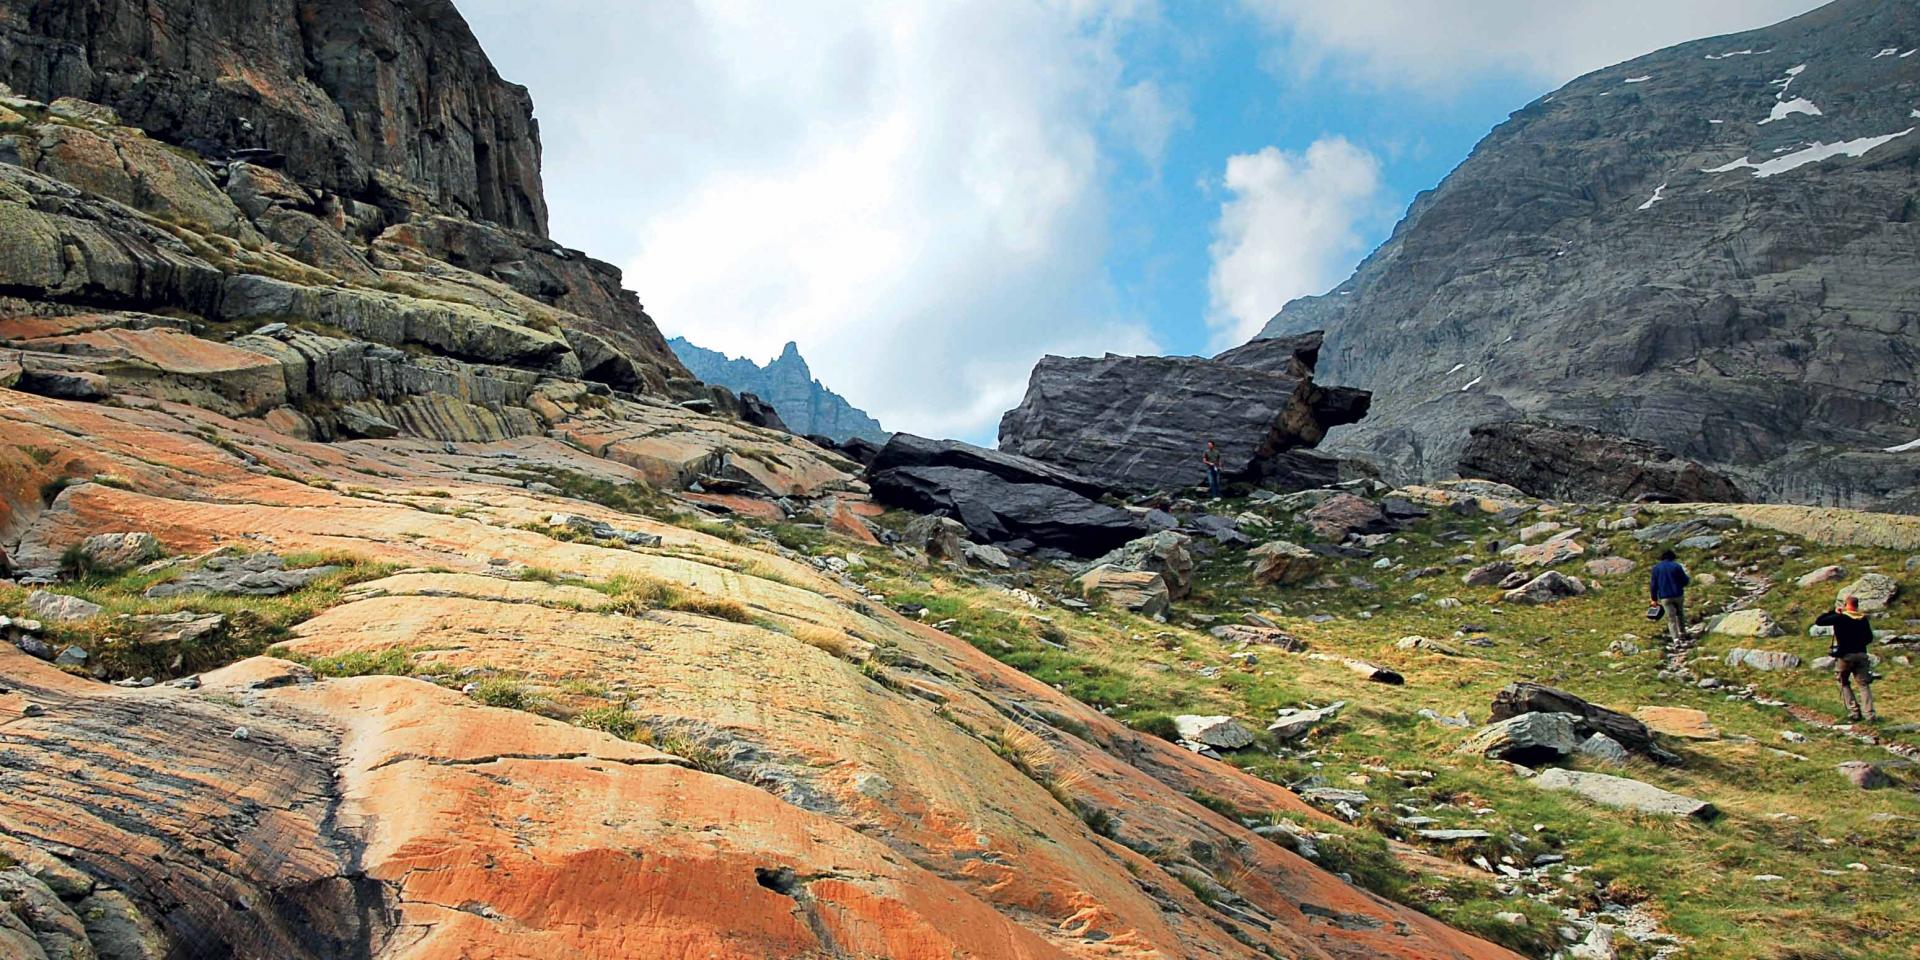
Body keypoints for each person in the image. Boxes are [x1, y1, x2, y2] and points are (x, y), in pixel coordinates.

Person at [1815, 595, 1877, 722]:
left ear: (1846, 604)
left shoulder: (1840, 618)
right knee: (1864, 684)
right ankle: (1870, 715)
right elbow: (1869, 638)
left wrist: (1833, 611)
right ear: (1857, 605)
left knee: (1843, 681)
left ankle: (1854, 711)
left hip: (1845, 656)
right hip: (1861, 654)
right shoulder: (1863, 619)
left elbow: (1820, 621)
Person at [1649, 549, 1690, 643]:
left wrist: (1654, 599)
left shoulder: (1656, 568)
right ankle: (1682, 634)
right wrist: (1680, 585)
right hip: (1678, 594)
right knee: (1680, 614)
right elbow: (1685, 580)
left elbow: (1653, 585)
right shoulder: (1676, 566)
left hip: (1665, 597)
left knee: (1671, 618)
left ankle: (1675, 640)